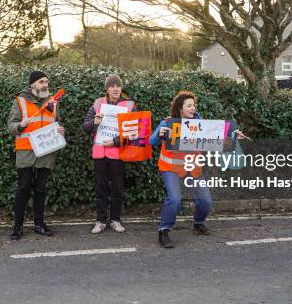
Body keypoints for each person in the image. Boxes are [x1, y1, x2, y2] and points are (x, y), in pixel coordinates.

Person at [149, 91, 245, 248]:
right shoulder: (167, 123)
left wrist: (234, 135)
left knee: (206, 201)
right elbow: (151, 141)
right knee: (174, 198)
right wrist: (160, 134)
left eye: (193, 105)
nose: (192, 108)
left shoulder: (202, 125)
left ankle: (198, 223)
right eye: (189, 105)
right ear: (180, 108)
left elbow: (220, 138)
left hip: (192, 168)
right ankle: (164, 230)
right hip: (171, 167)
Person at [7, 70, 65, 240]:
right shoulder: (20, 101)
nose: (45, 84)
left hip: (46, 152)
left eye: (46, 81)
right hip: (26, 151)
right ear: (32, 84)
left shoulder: (53, 102)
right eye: (41, 81)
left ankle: (39, 224)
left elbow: (57, 123)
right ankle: (17, 226)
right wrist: (20, 125)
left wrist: (61, 130)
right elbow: (10, 126)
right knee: (23, 188)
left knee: (41, 189)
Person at [83, 74, 136, 234]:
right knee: (100, 189)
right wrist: (95, 123)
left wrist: (116, 141)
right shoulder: (98, 103)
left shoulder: (129, 105)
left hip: (118, 153)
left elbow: (133, 132)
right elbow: (86, 126)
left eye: (118, 86)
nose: (115, 89)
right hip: (100, 153)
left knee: (117, 189)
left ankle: (115, 220)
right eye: (112, 86)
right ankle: (100, 221)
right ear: (107, 89)